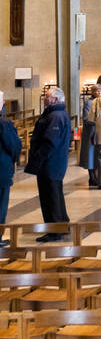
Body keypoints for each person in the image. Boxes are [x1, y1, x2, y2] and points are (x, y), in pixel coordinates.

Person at [24, 85, 72, 236]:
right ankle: (62, 225)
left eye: (47, 96)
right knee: (55, 194)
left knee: (49, 197)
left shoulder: (55, 116)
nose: (45, 98)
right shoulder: (58, 114)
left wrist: (37, 159)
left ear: (55, 99)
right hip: (54, 163)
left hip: (50, 164)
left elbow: (50, 143)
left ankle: (55, 231)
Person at [0, 90, 22, 247]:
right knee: (1, 205)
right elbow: (14, 146)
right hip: (1, 171)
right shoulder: (4, 124)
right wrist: (13, 160)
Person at [78, 83, 101, 186]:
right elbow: (86, 118)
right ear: (92, 92)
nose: (98, 92)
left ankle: (96, 176)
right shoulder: (89, 103)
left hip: (98, 131)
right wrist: (98, 121)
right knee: (90, 155)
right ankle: (92, 177)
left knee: (97, 154)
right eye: (96, 90)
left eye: (100, 90)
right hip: (90, 132)